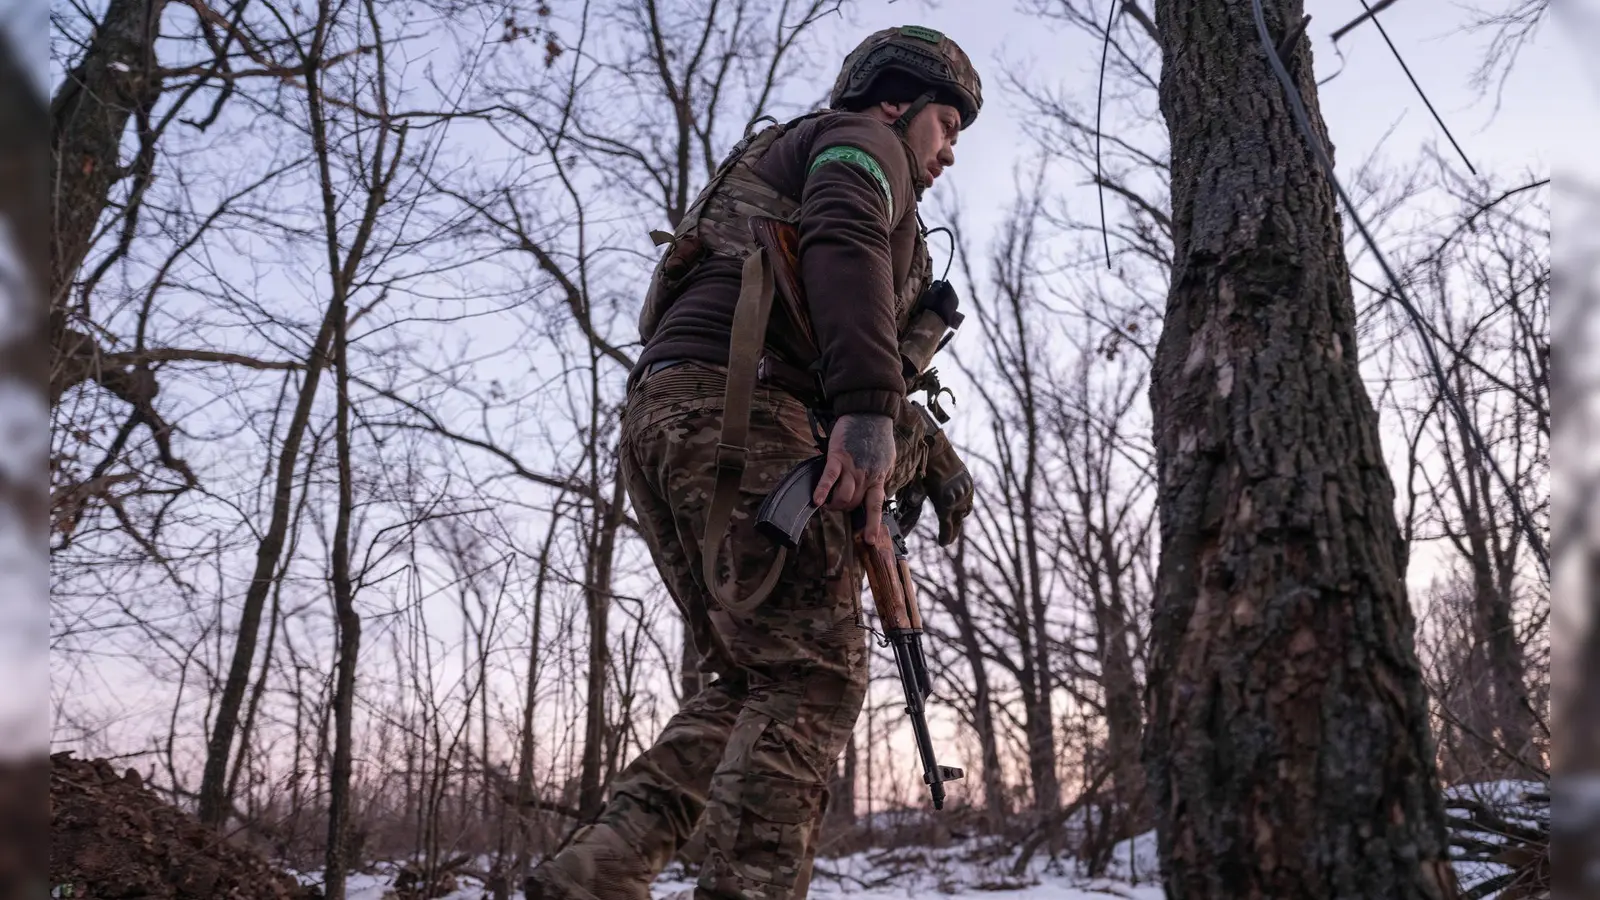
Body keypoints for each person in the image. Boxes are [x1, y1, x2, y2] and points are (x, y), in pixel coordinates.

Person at [526, 25, 981, 900]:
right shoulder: (861, 142)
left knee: (749, 678)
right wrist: (867, 410)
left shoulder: (786, 157)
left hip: (669, 420)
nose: (949, 151)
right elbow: (845, 236)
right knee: (811, 677)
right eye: (947, 125)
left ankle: (592, 877)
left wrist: (915, 441)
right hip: (743, 419)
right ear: (897, 101)